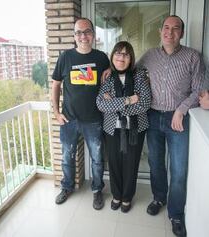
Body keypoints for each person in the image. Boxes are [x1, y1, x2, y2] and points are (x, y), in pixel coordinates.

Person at [137, 15, 204, 237]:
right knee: (156, 163)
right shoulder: (149, 56)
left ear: (182, 33)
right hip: (153, 116)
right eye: (166, 28)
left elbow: (199, 89)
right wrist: (111, 73)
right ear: (160, 31)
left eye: (176, 29)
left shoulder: (193, 56)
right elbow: (131, 73)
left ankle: (176, 213)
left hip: (179, 120)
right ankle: (158, 198)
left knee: (178, 168)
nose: (170, 32)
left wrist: (182, 109)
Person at [52, 17, 110, 210]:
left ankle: (97, 190)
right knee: (67, 156)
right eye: (78, 32)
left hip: (94, 119)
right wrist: (56, 112)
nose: (83, 36)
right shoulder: (65, 57)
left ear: (93, 35)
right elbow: (56, 85)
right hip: (69, 119)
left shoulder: (101, 58)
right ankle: (67, 187)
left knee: (97, 158)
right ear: (74, 36)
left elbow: (107, 84)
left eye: (87, 32)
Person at [96, 41, 151, 213]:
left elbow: (145, 103)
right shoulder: (108, 77)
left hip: (135, 128)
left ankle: (127, 197)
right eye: (118, 53)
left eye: (126, 54)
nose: (121, 57)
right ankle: (116, 195)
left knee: (131, 164)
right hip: (113, 129)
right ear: (112, 56)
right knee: (114, 163)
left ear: (131, 58)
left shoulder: (140, 76)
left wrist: (113, 102)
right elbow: (100, 104)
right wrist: (128, 100)